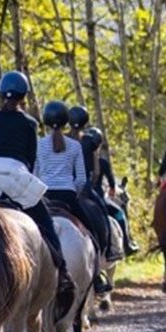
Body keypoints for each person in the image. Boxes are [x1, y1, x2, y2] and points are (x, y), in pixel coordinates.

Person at [0, 71, 75, 321]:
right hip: (15, 175)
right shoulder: (30, 123)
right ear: (24, 97)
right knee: (45, 222)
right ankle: (62, 270)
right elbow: (30, 160)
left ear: (1, 94)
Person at [37, 101, 111, 293]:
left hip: (44, 197)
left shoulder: (39, 145)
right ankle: (98, 275)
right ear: (65, 122)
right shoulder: (74, 147)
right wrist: (73, 192)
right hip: (69, 197)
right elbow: (80, 178)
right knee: (92, 231)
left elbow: (34, 174)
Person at [66, 105, 116, 260]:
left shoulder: (60, 139)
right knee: (102, 211)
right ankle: (108, 250)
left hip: (61, 185)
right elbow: (96, 171)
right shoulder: (89, 142)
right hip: (83, 187)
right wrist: (91, 182)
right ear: (85, 122)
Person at [86, 127, 140, 256]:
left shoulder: (76, 158)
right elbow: (112, 186)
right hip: (97, 196)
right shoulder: (102, 163)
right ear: (99, 145)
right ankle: (126, 245)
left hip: (78, 195)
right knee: (120, 214)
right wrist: (110, 191)